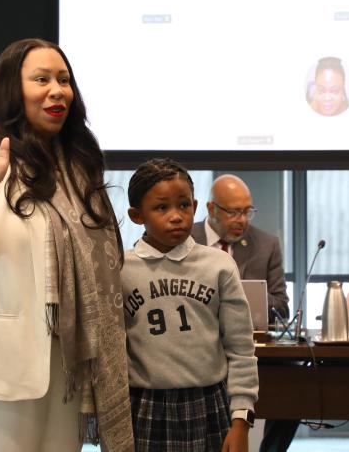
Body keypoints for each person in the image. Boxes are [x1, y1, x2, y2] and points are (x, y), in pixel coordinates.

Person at [0, 38, 133, 451]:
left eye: (63, 79)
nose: (57, 89)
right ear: (12, 89)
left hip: (70, 362)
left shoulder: (79, 165)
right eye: (41, 79)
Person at [121, 158, 258, 452]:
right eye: (161, 207)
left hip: (209, 404)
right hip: (145, 407)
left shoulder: (219, 265)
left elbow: (241, 348)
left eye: (183, 205)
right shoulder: (120, 269)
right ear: (136, 215)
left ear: (195, 207)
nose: (176, 216)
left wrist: (241, 419)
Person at [191, 175, 289, 323]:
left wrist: (246, 293)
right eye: (233, 212)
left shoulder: (267, 245)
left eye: (247, 211)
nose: (242, 220)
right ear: (211, 209)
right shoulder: (186, 240)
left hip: (247, 340)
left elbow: (282, 309)